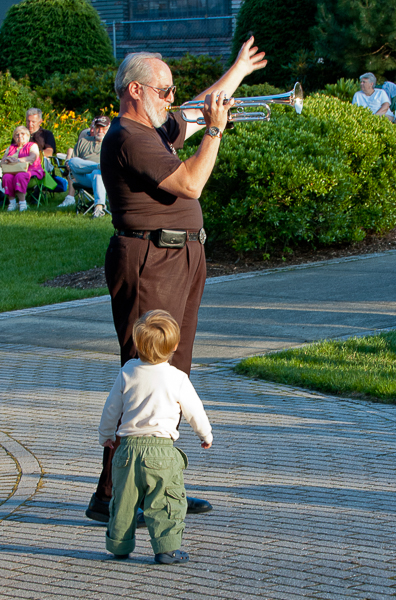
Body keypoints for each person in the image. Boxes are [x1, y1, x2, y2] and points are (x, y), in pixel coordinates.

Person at [85, 37, 267, 523]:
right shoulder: (129, 136)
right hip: (150, 259)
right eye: (164, 90)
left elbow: (190, 109)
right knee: (144, 376)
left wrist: (237, 74)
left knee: (173, 375)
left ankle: (162, 488)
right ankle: (112, 496)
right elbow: (189, 183)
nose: (172, 98)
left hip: (180, 256)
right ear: (136, 91)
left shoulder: (154, 125)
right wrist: (215, 133)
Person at [99, 309, 213, 564]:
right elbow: (195, 410)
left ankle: (119, 546)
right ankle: (166, 548)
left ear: (137, 344)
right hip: (162, 452)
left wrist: (106, 435)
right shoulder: (177, 378)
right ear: (174, 346)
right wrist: (205, 434)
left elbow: (111, 408)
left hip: (126, 450)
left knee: (123, 502)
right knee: (165, 500)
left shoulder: (128, 372)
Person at [57, 115, 110, 217]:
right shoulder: (83, 141)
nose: (100, 131)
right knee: (72, 161)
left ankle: (99, 208)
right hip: (83, 176)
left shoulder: (112, 143)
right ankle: (99, 166)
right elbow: (71, 164)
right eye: (98, 128)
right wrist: (69, 164)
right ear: (93, 128)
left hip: (104, 178)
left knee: (97, 173)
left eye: (103, 128)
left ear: (108, 129)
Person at [1, 125, 44, 212]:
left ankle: (22, 203)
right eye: (17, 134)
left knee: (20, 176)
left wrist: (17, 160)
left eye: (22, 134)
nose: (19, 136)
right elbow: (3, 161)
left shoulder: (32, 145)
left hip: (31, 170)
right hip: (13, 170)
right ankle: (12, 203)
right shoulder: (10, 147)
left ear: (28, 136)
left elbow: (33, 157)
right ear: (14, 137)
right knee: (6, 177)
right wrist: (7, 160)